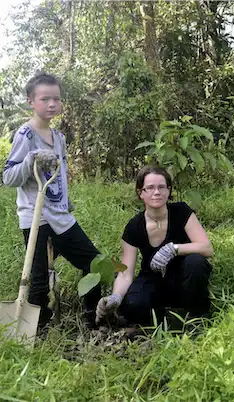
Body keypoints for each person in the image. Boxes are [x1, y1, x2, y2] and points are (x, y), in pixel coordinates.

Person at [2, 72, 101, 328]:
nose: (51, 104)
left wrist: (65, 200)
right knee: (38, 282)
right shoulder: (26, 135)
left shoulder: (59, 138)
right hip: (35, 218)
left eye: (56, 99)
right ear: (30, 102)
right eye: (44, 99)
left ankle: (93, 320)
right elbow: (9, 177)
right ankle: (36, 335)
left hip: (61, 216)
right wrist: (30, 160)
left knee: (94, 264)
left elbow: (61, 173)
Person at [95, 165, 213, 326]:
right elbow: (125, 273)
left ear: (169, 190)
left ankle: (198, 317)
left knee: (196, 262)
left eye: (161, 187)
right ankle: (158, 316)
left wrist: (174, 249)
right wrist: (116, 296)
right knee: (132, 304)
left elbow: (206, 248)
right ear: (140, 192)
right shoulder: (134, 226)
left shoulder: (181, 212)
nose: (156, 192)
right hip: (153, 279)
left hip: (183, 278)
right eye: (150, 188)